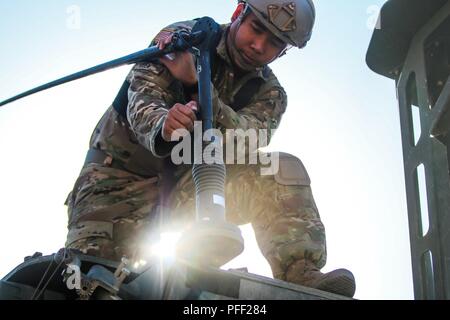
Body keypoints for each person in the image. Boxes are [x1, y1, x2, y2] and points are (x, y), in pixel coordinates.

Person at [64, 0, 356, 297]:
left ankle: (299, 271)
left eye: (274, 43)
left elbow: (247, 141)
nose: (258, 45)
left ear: (283, 52)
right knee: (91, 278)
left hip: (195, 185)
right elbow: (141, 97)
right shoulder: (184, 39)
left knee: (281, 169)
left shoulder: (270, 94)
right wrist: (164, 124)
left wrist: (197, 84)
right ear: (237, 13)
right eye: (255, 29)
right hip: (116, 180)